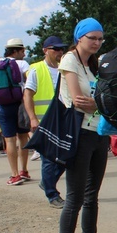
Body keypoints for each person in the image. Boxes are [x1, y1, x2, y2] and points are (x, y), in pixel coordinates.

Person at [54, 18, 110, 233]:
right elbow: (78, 101)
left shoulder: (93, 64)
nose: (97, 43)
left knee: (91, 196)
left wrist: (97, 104)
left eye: (100, 38)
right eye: (92, 38)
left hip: (98, 133)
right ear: (79, 38)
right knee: (74, 197)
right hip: (79, 134)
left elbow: (95, 101)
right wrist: (101, 104)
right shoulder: (70, 60)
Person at [23, 36, 68, 208]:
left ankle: (47, 182)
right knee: (49, 159)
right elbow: (28, 94)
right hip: (44, 121)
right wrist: (33, 118)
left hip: (63, 120)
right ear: (45, 50)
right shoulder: (37, 69)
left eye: (61, 49)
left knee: (66, 157)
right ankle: (52, 194)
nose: (59, 52)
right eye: (55, 49)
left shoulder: (64, 68)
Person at [0, 38, 32, 185]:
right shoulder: (23, 64)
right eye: (22, 51)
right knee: (23, 137)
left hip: (4, 105)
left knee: (10, 139)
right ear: (15, 51)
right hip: (20, 104)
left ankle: (14, 174)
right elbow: (29, 80)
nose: (24, 54)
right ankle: (24, 170)